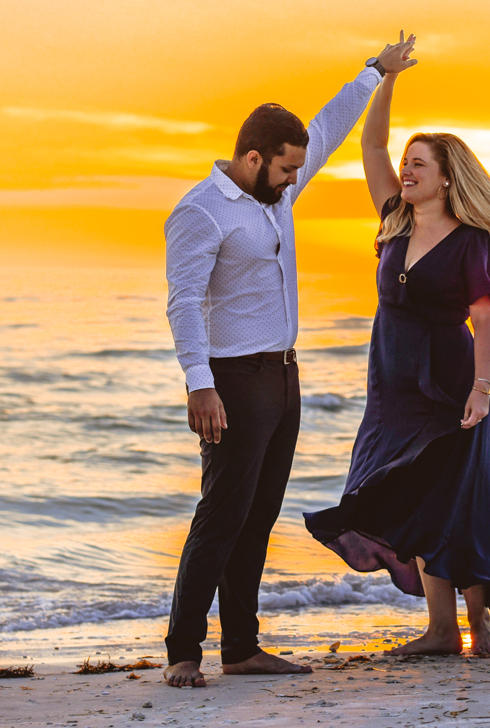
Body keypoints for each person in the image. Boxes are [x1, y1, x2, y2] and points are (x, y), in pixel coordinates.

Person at [161, 34, 420, 687]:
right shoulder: (201, 211)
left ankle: (241, 648)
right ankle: (183, 652)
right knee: (221, 516)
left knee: (258, 517)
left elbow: (330, 128)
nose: (294, 178)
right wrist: (200, 386)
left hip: (282, 376)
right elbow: (184, 301)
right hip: (234, 380)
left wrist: (374, 72)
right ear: (253, 158)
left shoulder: (277, 197)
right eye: (284, 169)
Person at [303, 52, 490, 657]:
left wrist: (481, 390)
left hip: (450, 386)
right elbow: (371, 148)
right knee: (396, 491)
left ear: (446, 177)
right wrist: (386, 77)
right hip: (393, 387)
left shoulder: (471, 242)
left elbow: (483, 319)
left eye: (418, 164)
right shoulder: (394, 220)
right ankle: (451, 629)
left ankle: (460, 629)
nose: (405, 170)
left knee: (457, 500)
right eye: (407, 163)